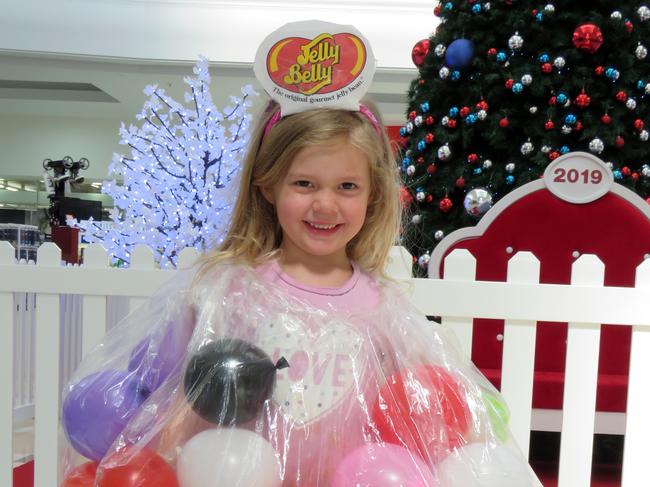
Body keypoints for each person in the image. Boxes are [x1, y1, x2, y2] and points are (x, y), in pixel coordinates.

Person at [59, 21, 542, 487]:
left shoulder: (383, 308)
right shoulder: (229, 290)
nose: (325, 204)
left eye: (347, 186)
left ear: (373, 196)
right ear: (267, 186)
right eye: (304, 183)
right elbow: (165, 395)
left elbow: (424, 409)